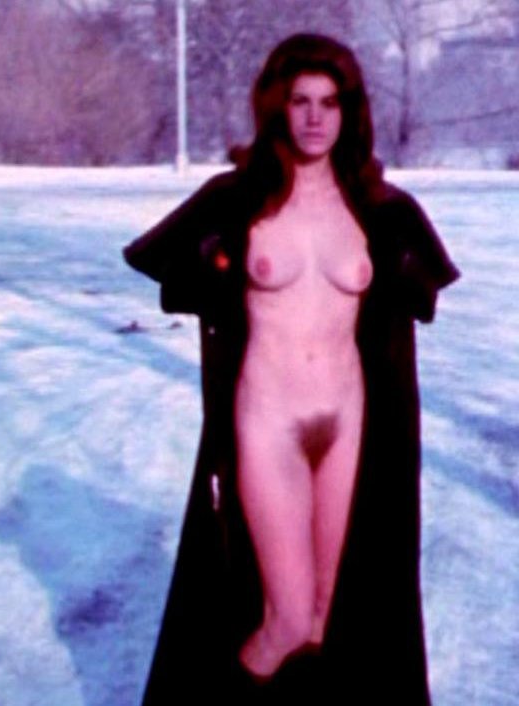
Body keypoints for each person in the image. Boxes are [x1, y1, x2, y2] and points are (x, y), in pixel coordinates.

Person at [123, 33, 459, 705]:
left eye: (329, 103)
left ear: (349, 113)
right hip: (268, 421)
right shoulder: (237, 201)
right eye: (300, 101)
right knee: (282, 620)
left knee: (322, 620)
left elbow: (408, 304)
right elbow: (168, 266)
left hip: (349, 422)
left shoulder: (379, 209)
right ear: (277, 107)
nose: (313, 117)